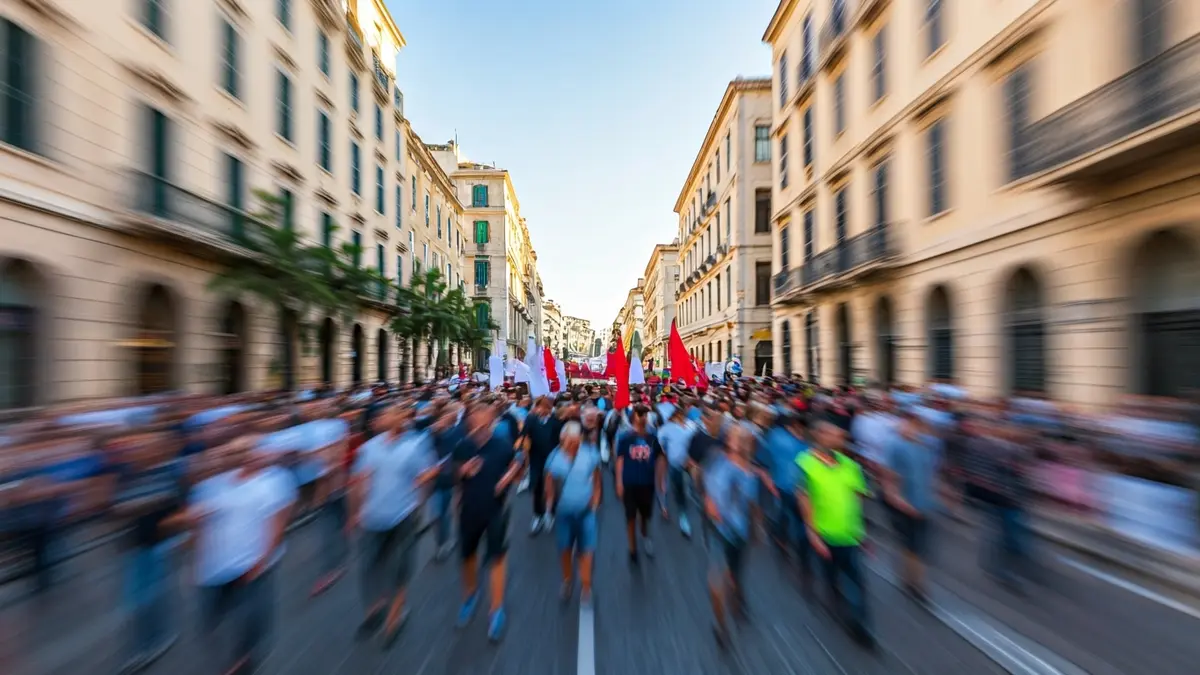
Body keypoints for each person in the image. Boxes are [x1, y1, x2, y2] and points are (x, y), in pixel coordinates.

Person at [176, 435, 297, 675]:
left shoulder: (274, 481)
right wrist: (196, 559)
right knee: (209, 621)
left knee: (251, 616)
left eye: (245, 451)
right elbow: (197, 527)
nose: (239, 456)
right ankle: (234, 657)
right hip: (214, 566)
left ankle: (242, 659)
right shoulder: (209, 487)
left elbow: (278, 523)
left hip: (252, 564)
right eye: (232, 452)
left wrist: (261, 561)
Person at [349, 406, 438, 647]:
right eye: (383, 415)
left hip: (403, 515)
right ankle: (375, 608)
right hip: (372, 517)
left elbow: (429, 472)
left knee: (400, 567)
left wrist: (421, 499)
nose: (385, 418)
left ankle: (394, 618)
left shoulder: (416, 444)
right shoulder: (368, 448)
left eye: (391, 413)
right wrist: (355, 512)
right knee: (369, 566)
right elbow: (360, 480)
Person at [797, 421, 874, 648]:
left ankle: (859, 624)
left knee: (856, 581)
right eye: (833, 434)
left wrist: (862, 532)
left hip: (849, 535)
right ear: (820, 436)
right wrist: (812, 533)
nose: (839, 439)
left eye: (840, 436)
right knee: (831, 575)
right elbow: (804, 500)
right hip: (824, 534)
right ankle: (833, 597)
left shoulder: (851, 465)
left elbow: (858, 499)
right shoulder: (806, 463)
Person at [455, 399, 523, 641]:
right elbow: (452, 476)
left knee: (497, 558)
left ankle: (496, 608)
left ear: (491, 420)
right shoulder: (463, 446)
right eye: (474, 416)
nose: (477, 420)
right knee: (468, 556)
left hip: (495, 511)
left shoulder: (502, 446)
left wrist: (508, 477)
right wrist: (462, 472)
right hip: (469, 511)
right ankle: (470, 595)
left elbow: (518, 467)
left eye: (483, 416)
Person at [703, 425, 762, 647]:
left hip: (741, 532)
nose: (738, 441)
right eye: (734, 437)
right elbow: (708, 490)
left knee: (736, 574)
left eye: (743, 438)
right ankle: (721, 625)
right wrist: (711, 507)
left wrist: (757, 527)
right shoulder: (719, 462)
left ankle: (738, 598)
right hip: (720, 531)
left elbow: (752, 503)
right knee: (717, 579)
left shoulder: (750, 471)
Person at [882, 410, 940, 603]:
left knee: (918, 546)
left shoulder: (924, 448)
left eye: (916, 426)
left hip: (922, 504)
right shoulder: (895, 445)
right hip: (904, 505)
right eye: (909, 425)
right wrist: (898, 500)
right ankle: (916, 584)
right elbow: (889, 477)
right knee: (912, 545)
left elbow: (928, 475)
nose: (912, 429)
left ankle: (911, 579)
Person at [544, 419, 602, 605]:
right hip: (563, 514)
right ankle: (567, 581)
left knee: (587, 550)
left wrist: (595, 501)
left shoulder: (590, 454)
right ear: (563, 438)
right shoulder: (554, 457)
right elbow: (549, 483)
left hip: (586, 513)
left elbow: (597, 479)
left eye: (576, 439)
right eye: (570, 439)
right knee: (565, 550)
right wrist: (548, 508)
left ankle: (586, 586)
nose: (573, 443)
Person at [615, 405, 666, 563]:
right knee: (630, 517)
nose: (643, 416)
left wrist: (660, 482)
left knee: (644, 515)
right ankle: (632, 549)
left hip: (647, 483)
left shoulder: (652, 438)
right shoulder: (625, 438)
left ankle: (644, 535)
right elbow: (620, 460)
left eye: (645, 414)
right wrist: (618, 482)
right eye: (639, 414)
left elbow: (660, 458)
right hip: (630, 482)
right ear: (633, 417)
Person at [519, 397, 559, 535]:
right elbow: (523, 435)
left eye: (544, 406)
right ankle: (538, 515)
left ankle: (550, 512)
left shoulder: (555, 420)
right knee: (537, 487)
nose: (541, 409)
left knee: (551, 487)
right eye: (539, 406)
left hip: (552, 459)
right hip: (536, 459)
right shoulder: (531, 419)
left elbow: (559, 439)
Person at [658, 406, 696, 537]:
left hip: (689, 465)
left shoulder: (691, 425)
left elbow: (696, 441)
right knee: (676, 489)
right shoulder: (666, 428)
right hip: (674, 465)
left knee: (687, 488)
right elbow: (659, 443)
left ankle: (683, 512)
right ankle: (681, 516)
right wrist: (664, 453)